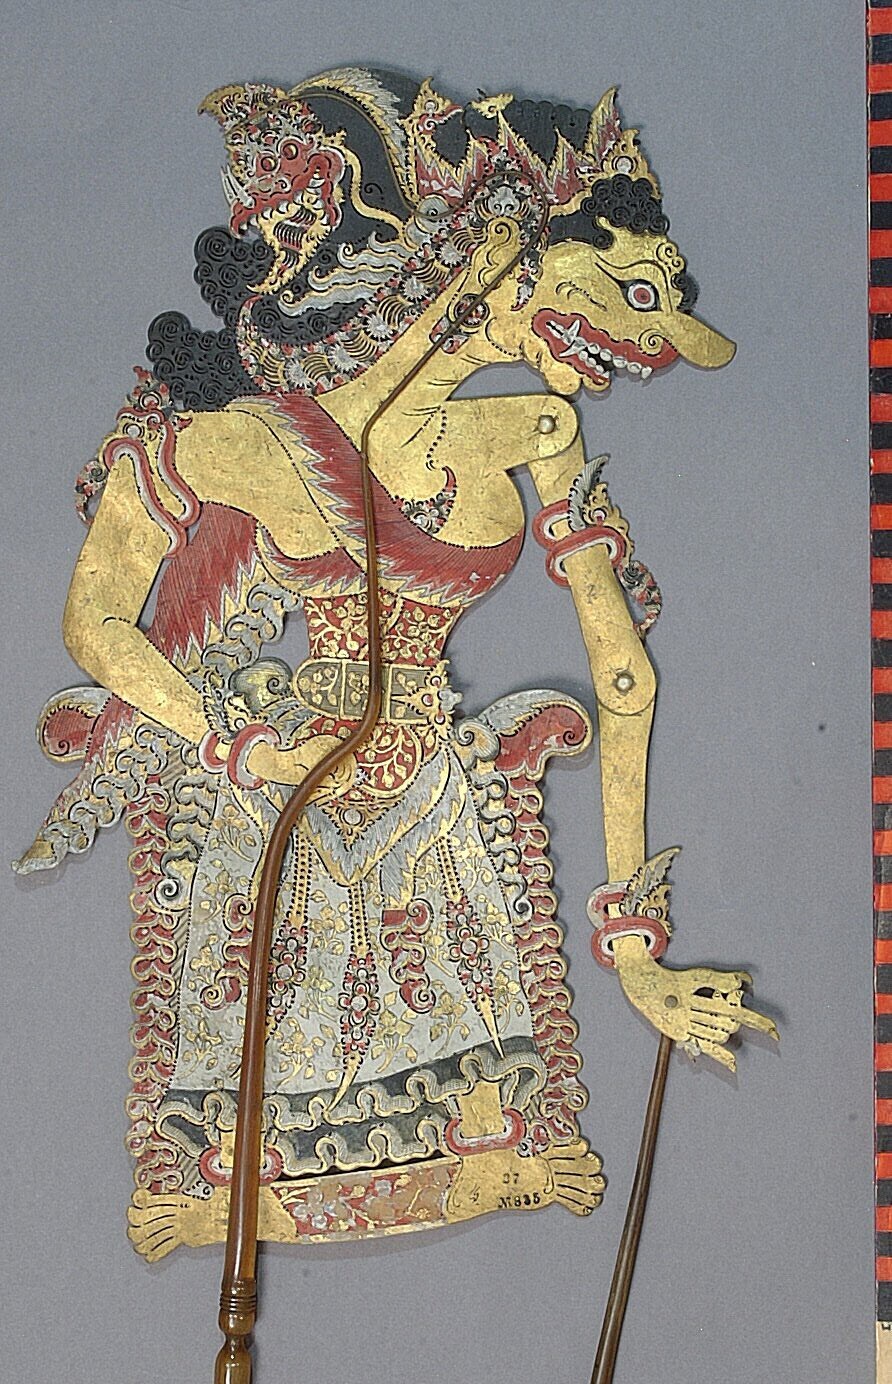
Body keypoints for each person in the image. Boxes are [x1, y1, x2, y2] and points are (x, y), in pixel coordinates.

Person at [15, 69, 773, 1257]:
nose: (647, 345)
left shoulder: (536, 430)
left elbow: (624, 676)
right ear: (499, 253)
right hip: (279, 799)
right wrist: (232, 746)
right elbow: (96, 624)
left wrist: (636, 957)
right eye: (624, 297)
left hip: (439, 810)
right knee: (236, 1159)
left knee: (485, 1126)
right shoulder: (231, 436)